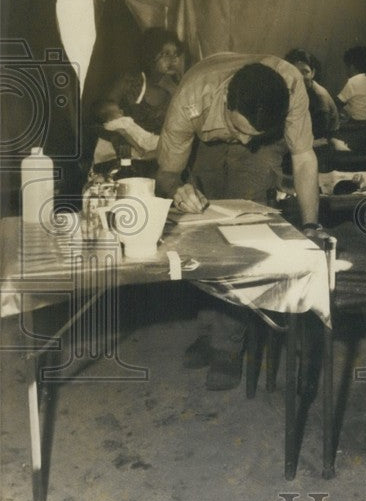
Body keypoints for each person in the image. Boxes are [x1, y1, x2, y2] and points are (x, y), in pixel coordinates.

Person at [155, 53, 323, 390]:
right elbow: (166, 177)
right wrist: (180, 191)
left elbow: (304, 158)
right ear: (227, 103)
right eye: (240, 130)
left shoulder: (290, 85)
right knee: (201, 232)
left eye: (253, 134)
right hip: (206, 140)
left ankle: (227, 346)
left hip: (267, 141)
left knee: (244, 239)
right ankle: (207, 331)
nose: (245, 142)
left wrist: (310, 227)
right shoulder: (191, 98)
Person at [92, 27, 187, 175]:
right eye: (166, 54)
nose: (173, 59)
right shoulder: (130, 81)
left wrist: (174, 90)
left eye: (176, 54)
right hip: (123, 161)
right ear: (149, 55)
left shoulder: (179, 89)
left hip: (160, 162)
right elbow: (104, 112)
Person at [285, 48, 340, 143]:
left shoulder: (320, 97)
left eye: (305, 72)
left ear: (313, 73)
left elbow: (320, 133)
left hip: (324, 141)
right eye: (295, 72)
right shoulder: (294, 89)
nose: (300, 77)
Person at [336, 45, 366, 122]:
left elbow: (338, 102)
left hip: (356, 122)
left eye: (346, 67)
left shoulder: (352, 82)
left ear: (352, 67)